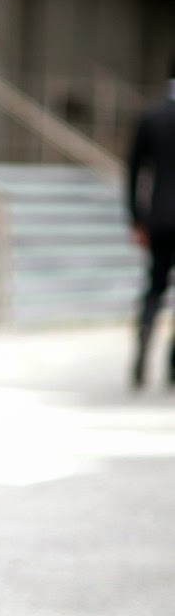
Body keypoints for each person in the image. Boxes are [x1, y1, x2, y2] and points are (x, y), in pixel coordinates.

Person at [127, 58, 175, 387]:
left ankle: (144, 341)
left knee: (155, 285)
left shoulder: (152, 115)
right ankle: (172, 363)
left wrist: (136, 218)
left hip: (158, 216)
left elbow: (134, 171)